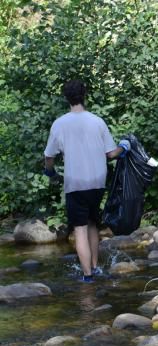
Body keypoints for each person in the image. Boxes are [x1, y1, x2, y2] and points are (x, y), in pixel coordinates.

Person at [43, 79, 130, 282]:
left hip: (75, 183)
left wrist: (50, 172)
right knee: (92, 224)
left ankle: (88, 276)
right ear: (85, 95)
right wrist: (125, 146)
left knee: (80, 229)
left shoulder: (60, 123)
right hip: (97, 182)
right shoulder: (97, 121)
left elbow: (49, 156)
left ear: (67, 98)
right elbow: (111, 154)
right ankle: (95, 267)